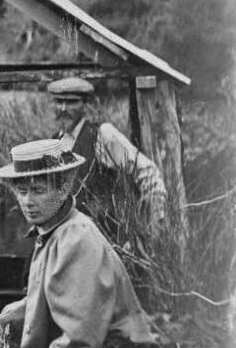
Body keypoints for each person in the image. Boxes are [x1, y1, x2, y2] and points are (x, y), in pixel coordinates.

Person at [0, 138, 156, 348]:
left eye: (37, 190)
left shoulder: (77, 238)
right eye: (21, 191)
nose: (27, 201)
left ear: (64, 186)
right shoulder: (51, 231)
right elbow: (40, 300)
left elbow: (83, 336)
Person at [47, 77, 166, 241]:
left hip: (106, 240)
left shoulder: (103, 135)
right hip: (69, 241)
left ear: (86, 105)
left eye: (71, 102)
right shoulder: (53, 143)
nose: (63, 108)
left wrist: (155, 223)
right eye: (58, 102)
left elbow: (148, 172)